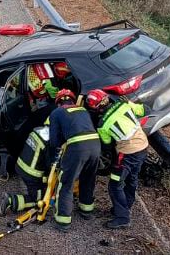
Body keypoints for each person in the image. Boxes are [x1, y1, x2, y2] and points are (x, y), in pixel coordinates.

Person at [86, 89, 149, 230]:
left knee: (115, 184)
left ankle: (122, 217)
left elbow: (107, 145)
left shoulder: (102, 124)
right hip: (143, 146)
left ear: (95, 108)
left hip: (127, 153)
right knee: (132, 178)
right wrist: (130, 103)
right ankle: (125, 205)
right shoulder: (124, 104)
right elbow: (145, 109)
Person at [48, 89, 100, 232]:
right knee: (88, 178)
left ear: (58, 103)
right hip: (95, 145)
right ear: (72, 100)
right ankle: (86, 210)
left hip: (78, 147)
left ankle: (63, 220)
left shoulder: (56, 113)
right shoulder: (83, 110)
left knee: (66, 182)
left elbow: (54, 141)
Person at [0, 122, 50, 216]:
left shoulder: (38, 130)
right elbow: (50, 164)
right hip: (32, 175)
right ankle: (10, 200)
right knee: (40, 201)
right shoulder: (49, 140)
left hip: (20, 166)